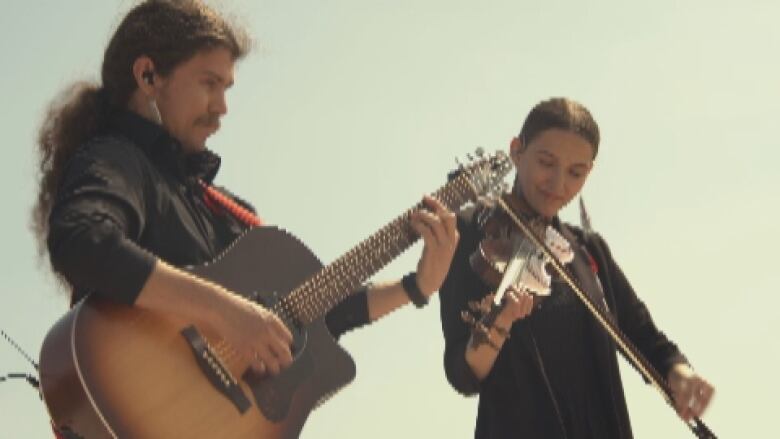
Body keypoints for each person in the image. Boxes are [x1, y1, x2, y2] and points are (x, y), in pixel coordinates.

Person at [33, 0, 458, 387]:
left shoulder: (226, 210)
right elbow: (82, 239)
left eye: (227, 88)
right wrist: (223, 312)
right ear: (148, 76)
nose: (222, 107)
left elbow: (316, 312)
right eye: (208, 83)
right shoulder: (118, 161)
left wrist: (417, 286)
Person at [438, 97, 714, 438]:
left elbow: (643, 336)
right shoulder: (470, 234)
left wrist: (678, 372)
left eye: (575, 172)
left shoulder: (586, 250)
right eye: (546, 162)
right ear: (516, 151)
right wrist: (501, 322)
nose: (558, 184)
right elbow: (462, 373)